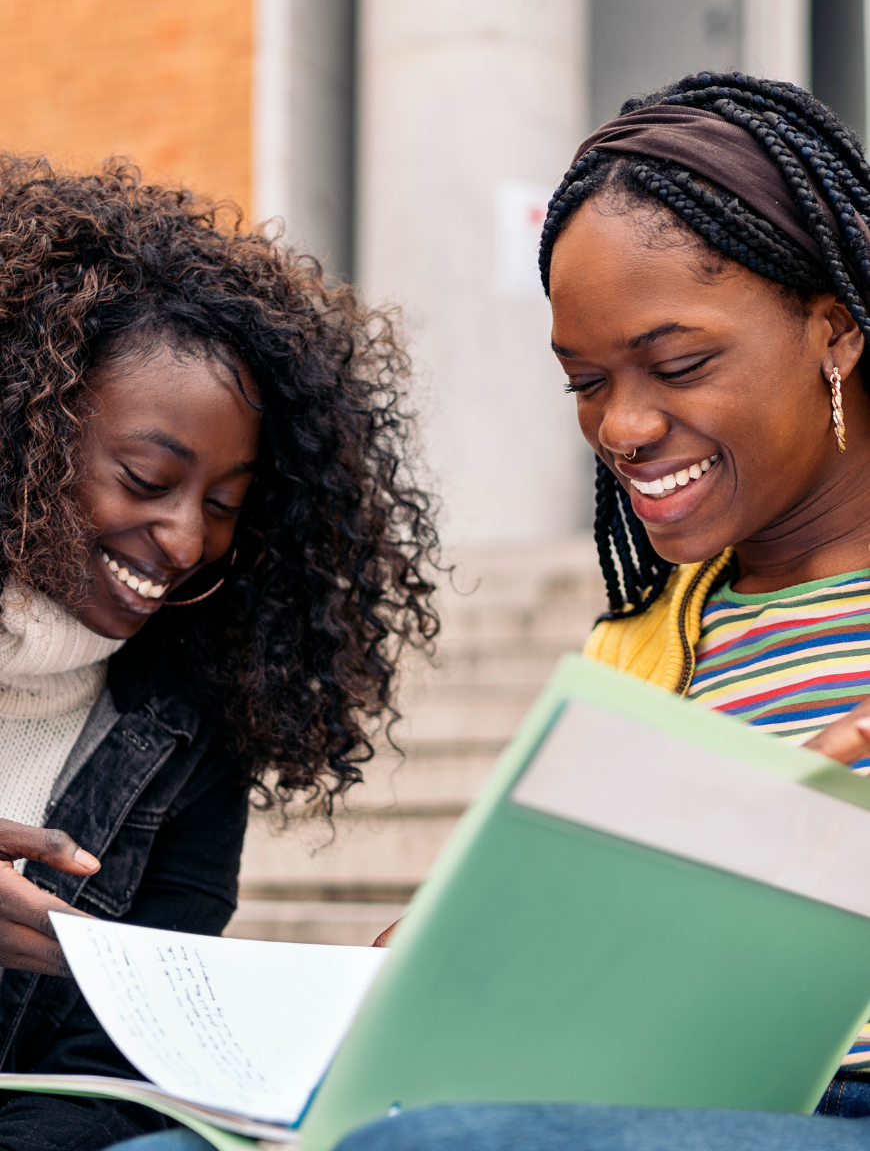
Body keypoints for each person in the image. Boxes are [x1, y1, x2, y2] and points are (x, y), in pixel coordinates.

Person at [108, 71, 870, 1151]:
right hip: (638, 1097)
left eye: (679, 364)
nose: (624, 427)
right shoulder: (641, 648)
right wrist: (440, 961)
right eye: (585, 382)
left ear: (833, 331)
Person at [0, 154, 437, 1150]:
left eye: (226, 504)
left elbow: (99, 1084)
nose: (189, 539)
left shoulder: (188, 737)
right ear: (25, 433)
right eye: (147, 477)